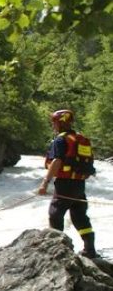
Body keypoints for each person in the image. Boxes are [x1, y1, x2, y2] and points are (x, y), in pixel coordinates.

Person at [37, 109, 98, 258]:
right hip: (79, 184)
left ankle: (58, 249)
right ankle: (90, 250)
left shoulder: (60, 140)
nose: (53, 126)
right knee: (80, 217)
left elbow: (57, 161)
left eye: (54, 122)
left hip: (65, 184)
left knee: (55, 213)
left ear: (60, 123)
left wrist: (45, 182)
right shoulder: (80, 139)